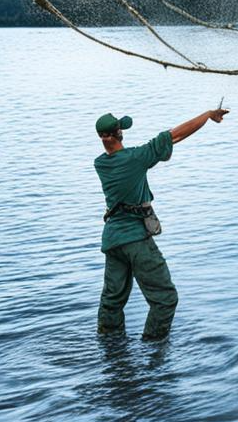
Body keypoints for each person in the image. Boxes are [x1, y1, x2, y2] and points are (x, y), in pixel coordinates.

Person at [93, 106, 229, 339]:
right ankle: (153, 352)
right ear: (119, 133)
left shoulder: (101, 164)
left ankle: (110, 349)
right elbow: (175, 135)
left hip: (112, 240)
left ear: (102, 137)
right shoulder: (136, 158)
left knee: (112, 301)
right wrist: (207, 115)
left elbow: (171, 136)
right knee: (166, 299)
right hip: (135, 239)